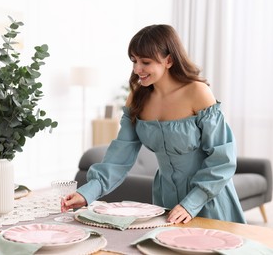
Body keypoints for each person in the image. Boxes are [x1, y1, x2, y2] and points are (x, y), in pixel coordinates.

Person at [62, 24, 246, 224]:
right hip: (164, 200)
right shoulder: (137, 98)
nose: (137, 69)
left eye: (145, 62)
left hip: (209, 198)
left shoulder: (197, 92)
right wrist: (87, 193)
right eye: (134, 61)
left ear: (169, 60)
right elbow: (119, 157)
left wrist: (191, 203)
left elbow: (223, 158)